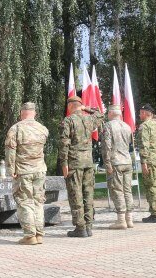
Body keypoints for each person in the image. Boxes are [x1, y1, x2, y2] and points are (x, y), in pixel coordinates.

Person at [59, 96, 105, 237]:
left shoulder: (68, 121)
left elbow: (64, 143)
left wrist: (64, 163)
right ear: (80, 105)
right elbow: (100, 114)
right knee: (88, 194)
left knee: (76, 194)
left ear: (70, 106)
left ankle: (80, 227)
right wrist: (86, 108)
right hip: (88, 163)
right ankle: (89, 226)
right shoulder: (89, 119)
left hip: (74, 163)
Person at [4, 102, 49, 245]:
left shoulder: (16, 128)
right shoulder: (43, 129)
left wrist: (11, 169)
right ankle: (39, 234)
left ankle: (30, 236)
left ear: (21, 113)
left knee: (25, 201)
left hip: (23, 171)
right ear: (34, 113)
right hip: (40, 170)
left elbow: (10, 151)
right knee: (38, 201)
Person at [101, 104, 134, 229]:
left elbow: (106, 146)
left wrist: (107, 163)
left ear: (110, 113)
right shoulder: (127, 126)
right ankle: (129, 219)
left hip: (115, 162)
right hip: (127, 161)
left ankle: (121, 220)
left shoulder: (108, 126)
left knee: (117, 190)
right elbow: (130, 144)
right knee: (127, 190)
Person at [137, 103, 156, 223]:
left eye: (140, 112)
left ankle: (155, 214)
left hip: (150, 161)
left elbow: (144, 145)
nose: (139, 115)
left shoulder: (144, 126)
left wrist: (144, 163)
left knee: (152, 186)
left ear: (145, 113)